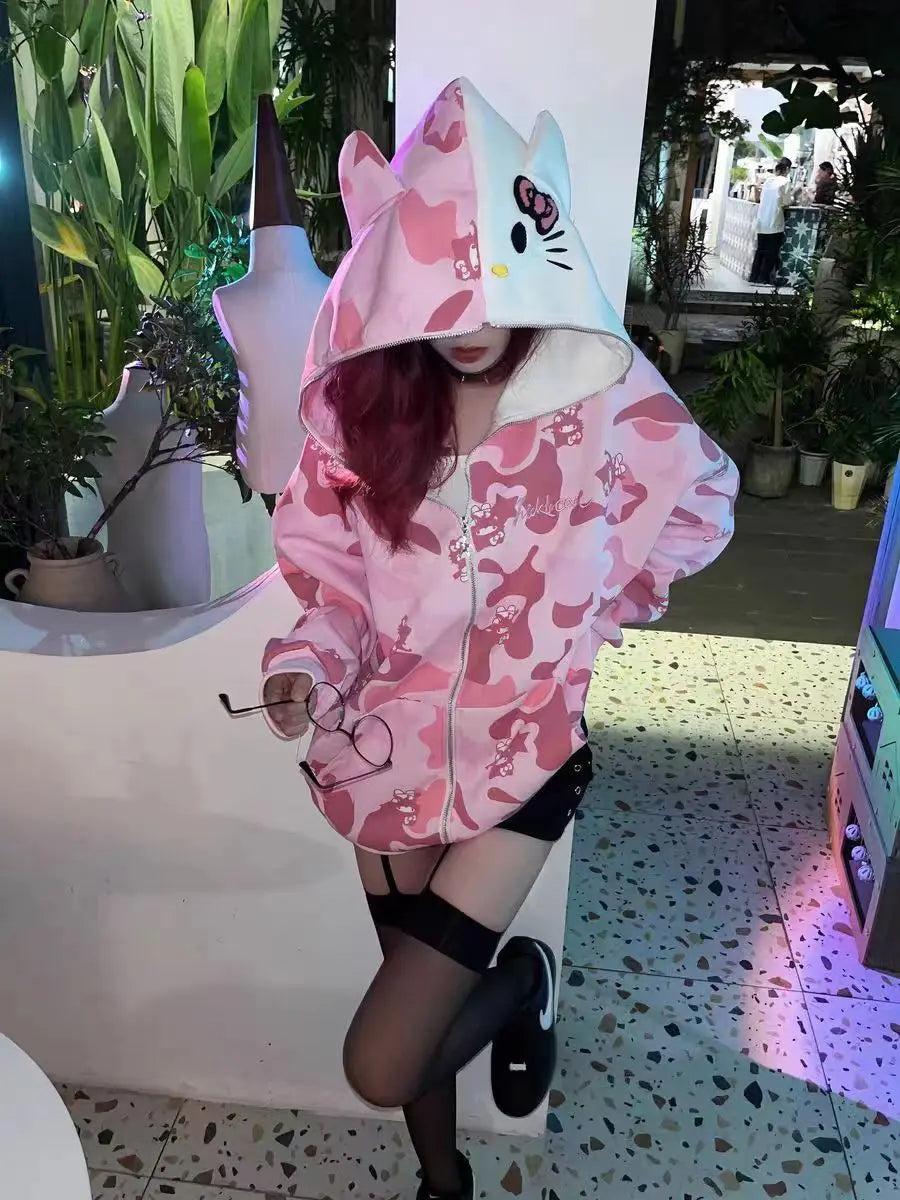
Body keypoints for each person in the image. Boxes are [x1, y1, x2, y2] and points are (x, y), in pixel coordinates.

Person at [250, 79, 739, 1200]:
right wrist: (304, 666)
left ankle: (522, 983)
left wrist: (588, 618)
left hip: (527, 752)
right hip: (384, 749)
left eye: (490, 284)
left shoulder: (599, 390)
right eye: (437, 288)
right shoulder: (368, 409)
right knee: (410, 1006)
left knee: (381, 1060)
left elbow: (701, 503)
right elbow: (336, 588)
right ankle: (445, 1184)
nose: (467, 321)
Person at [749, 156, 793, 285]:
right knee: (771, 252)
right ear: (787, 169)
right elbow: (786, 202)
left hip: (762, 220)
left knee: (760, 250)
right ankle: (764, 278)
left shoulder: (768, 181)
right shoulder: (785, 182)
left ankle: (754, 276)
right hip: (775, 221)